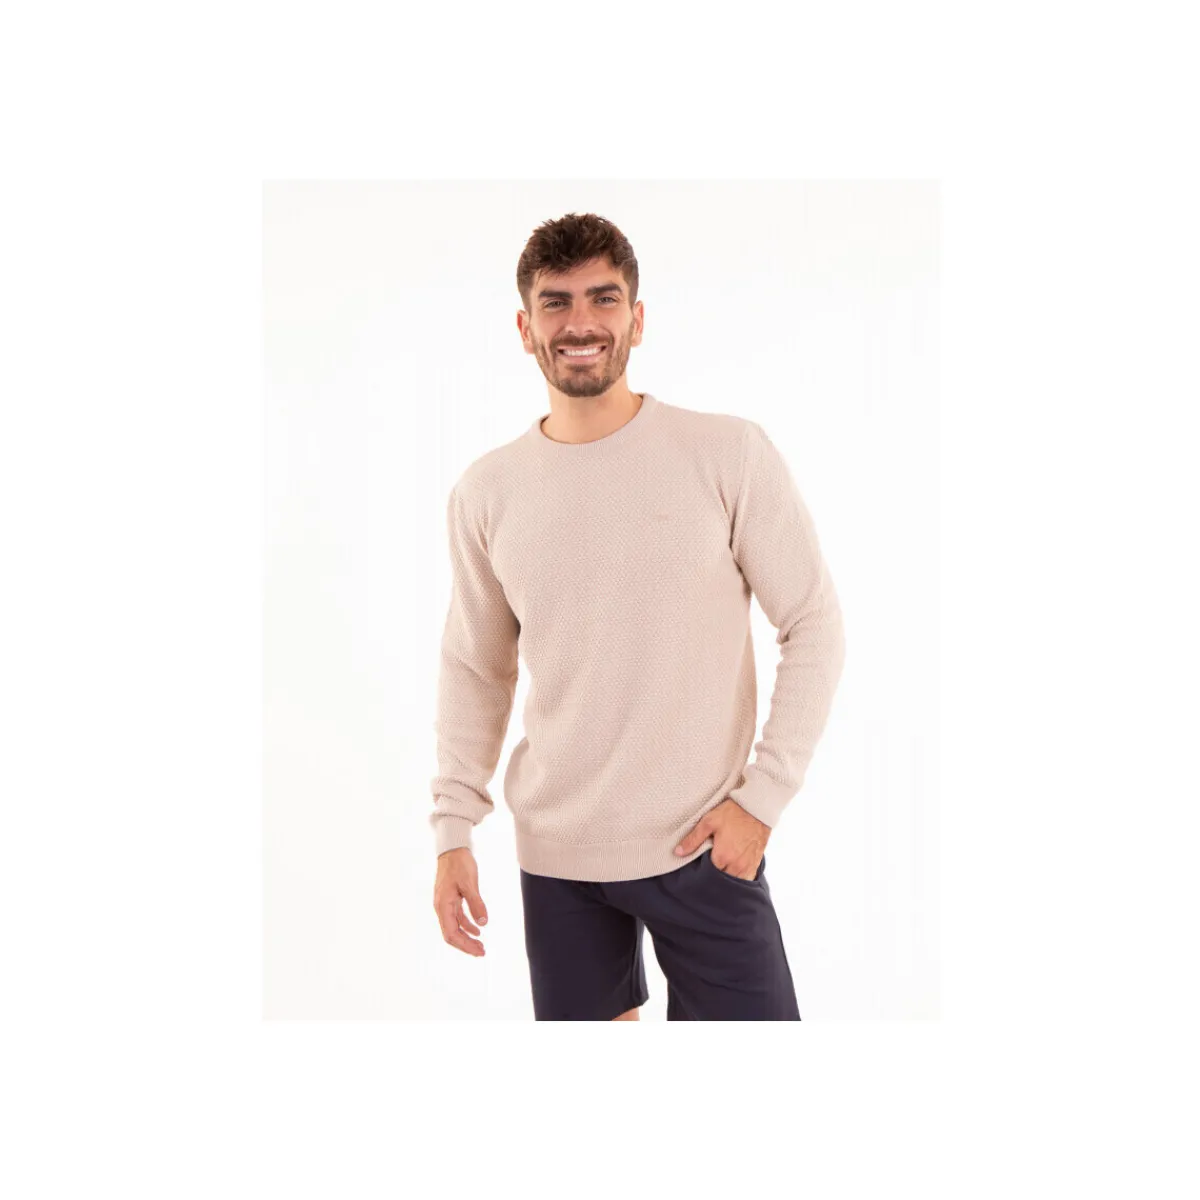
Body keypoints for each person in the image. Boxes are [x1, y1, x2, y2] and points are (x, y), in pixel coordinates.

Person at [429, 211, 846, 1020]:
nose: (580, 323)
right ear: (525, 328)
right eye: (555, 303)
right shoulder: (487, 491)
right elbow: (475, 667)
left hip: (705, 848)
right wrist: (452, 831)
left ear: (638, 319)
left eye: (603, 298)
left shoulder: (726, 453)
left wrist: (761, 800)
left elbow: (814, 624)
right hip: (558, 859)